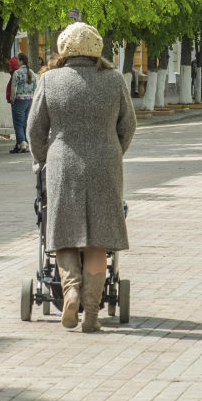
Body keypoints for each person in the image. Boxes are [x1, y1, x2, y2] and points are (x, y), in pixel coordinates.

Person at [27, 22, 135, 333]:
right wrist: (114, 150)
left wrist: (43, 157)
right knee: (98, 240)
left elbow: (35, 130)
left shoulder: (50, 81)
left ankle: (70, 292)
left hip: (63, 164)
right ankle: (91, 315)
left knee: (65, 233)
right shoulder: (114, 81)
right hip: (105, 164)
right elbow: (128, 126)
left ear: (63, 49)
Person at [8, 53, 37, 154]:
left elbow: (14, 88)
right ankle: (27, 142)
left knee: (18, 123)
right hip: (30, 100)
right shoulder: (32, 73)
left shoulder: (17, 73)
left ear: (21, 61)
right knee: (25, 123)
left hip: (19, 100)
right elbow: (36, 87)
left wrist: (12, 99)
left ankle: (22, 143)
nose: (16, 61)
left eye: (17, 60)